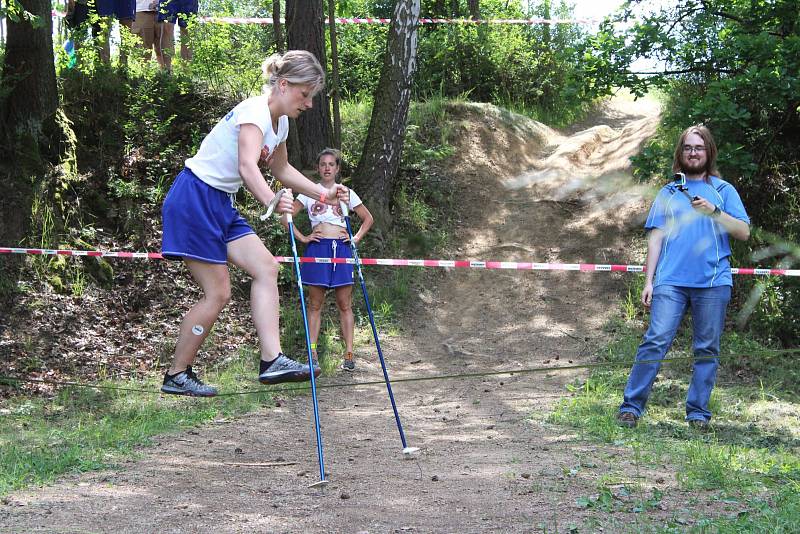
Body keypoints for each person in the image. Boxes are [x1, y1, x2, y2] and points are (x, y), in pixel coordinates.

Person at [159, 50, 349, 397]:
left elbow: (281, 170)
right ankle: (177, 374)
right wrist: (272, 201)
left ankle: (271, 360)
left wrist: (324, 195)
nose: (308, 104)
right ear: (283, 84)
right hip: (194, 197)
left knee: (266, 268)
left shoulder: (282, 123)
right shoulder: (254, 111)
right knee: (218, 293)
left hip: (219, 202)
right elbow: (248, 166)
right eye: (304, 94)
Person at [616, 125, 750, 429]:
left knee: (707, 349)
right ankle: (631, 408)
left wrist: (714, 211)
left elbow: (743, 232)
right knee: (655, 341)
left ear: (708, 152)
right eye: (688, 147)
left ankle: (698, 414)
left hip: (713, 283)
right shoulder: (668, 191)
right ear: (681, 153)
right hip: (670, 282)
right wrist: (648, 281)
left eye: (699, 148)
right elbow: (655, 239)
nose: (693, 152)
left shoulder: (724, 191)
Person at [285, 149, 374, 372]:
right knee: (315, 304)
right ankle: (312, 352)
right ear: (318, 168)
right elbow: (285, 217)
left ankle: (349, 354)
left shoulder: (345, 192)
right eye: (323, 164)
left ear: (337, 168)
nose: (326, 167)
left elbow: (368, 219)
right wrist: (304, 237)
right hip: (317, 249)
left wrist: (354, 238)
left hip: (342, 250)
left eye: (331, 164)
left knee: (345, 304)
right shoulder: (308, 192)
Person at [131, 0, 173, 70]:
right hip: (141, 9)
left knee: (163, 50)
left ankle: (166, 76)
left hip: (165, 10)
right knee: (144, 50)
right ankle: (143, 76)